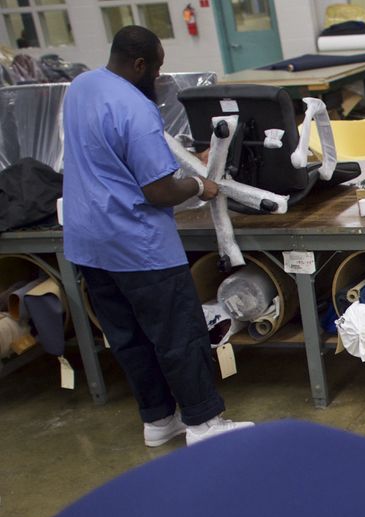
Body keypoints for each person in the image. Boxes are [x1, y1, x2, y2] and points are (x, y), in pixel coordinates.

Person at [62, 26, 253, 447]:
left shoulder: (81, 86)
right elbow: (158, 190)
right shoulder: (136, 107)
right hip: (138, 246)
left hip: (88, 241)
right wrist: (198, 186)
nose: (160, 76)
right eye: (158, 67)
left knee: (128, 337)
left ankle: (158, 421)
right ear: (140, 65)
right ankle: (204, 424)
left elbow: (108, 153)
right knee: (178, 335)